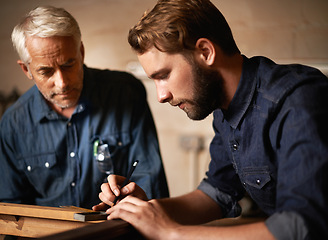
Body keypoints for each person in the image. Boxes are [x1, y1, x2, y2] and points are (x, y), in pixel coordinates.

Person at [93, 0, 328, 239]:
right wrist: (148, 209)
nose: (161, 96)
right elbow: (218, 193)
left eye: (163, 75)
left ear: (205, 52)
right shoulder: (225, 109)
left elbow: (301, 225)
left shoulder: (298, 100)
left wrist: (172, 233)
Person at [0, 5, 169, 209]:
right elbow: (11, 210)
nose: (62, 83)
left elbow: (151, 182)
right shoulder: (14, 123)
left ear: (82, 52)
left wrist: (135, 197)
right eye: (46, 71)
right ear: (26, 69)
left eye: (68, 65)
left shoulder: (125, 93)